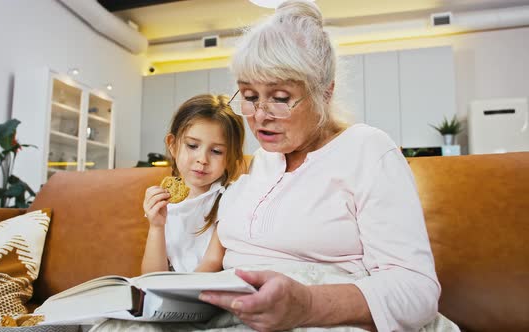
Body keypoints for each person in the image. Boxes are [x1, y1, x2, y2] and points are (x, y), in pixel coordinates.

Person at [196, 1, 459, 332]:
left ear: (325, 92)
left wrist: (307, 305)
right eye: (249, 96)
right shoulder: (262, 162)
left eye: (279, 97)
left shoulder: (367, 149)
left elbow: (417, 291)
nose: (260, 116)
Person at [141, 94, 245, 274]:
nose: (202, 159)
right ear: (172, 145)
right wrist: (156, 226)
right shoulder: (165, 200)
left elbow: (212, 263)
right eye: (192, 146)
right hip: (171, 289)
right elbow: (150, 276)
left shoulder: (231, 195)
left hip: (203, 289)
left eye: (216, 151)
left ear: (230, 157)